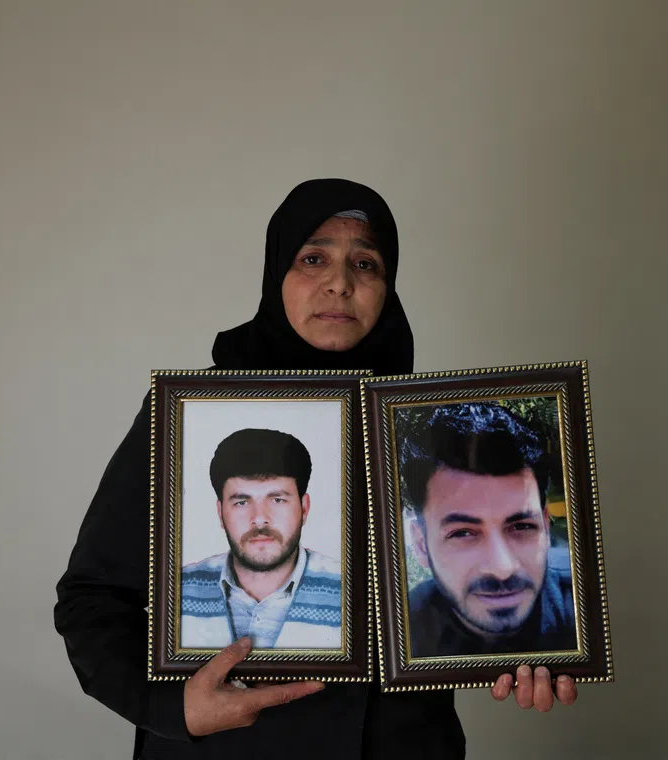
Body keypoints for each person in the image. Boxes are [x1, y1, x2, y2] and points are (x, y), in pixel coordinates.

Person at [53, 178, 577, 760]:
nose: (340, 282)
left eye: (366, 263)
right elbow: (92, 597)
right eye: (313, 258)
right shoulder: (190, 417)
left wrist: (522, 647)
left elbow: (456, 602)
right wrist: (171, 708)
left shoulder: (425, 428)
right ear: (277, 275)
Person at [399, 403, 578, 658]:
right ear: (420, 544)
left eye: (522, 526)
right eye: (463, 533)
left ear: (546, 525)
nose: (502, 568)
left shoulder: (588, 606)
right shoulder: (399, 635)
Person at [181, 427, 342, 650]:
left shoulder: (352, 592)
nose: (259, 519)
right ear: (220, 513)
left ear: (304, 508)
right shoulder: (177, 591)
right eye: (242, 502)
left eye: (277, 500)